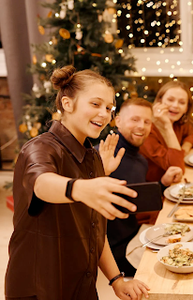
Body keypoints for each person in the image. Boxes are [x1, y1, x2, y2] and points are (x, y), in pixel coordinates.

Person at [5, 66, 149, 300]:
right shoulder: (40, 148)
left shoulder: (92, 157)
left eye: (109, 107)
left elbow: (94, 232)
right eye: (95, 104)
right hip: (41, 287)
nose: (104, 114)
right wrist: (79, 187)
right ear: (67, 104)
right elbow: (42, 183)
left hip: (81, 283)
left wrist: (116, 280)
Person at [101, 98, 183, 276]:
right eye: (135, 119)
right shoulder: (104, 157)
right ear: (118, 121)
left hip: (136, 235)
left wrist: (162, 184)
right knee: (177, 263)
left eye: (147, 122)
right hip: (116, 252)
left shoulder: (139, 159)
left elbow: (135, 197)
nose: (142, 126)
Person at [139, 80, 193, 182]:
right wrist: (167, 127)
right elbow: (177, 168)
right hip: (156, 189)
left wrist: (184, 149)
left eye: (182, 102)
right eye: (170, 100)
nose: (175, 105)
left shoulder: (178, 122)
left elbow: (192, 132)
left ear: (186, 108)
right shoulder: (146, 130)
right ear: (159, 101)